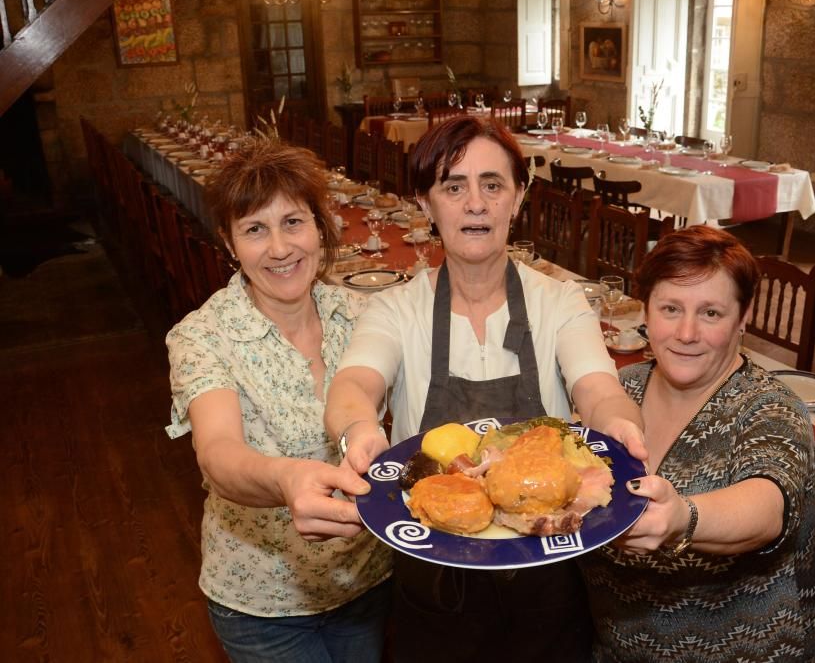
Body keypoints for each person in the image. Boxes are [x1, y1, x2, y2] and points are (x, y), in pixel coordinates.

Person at [324, 115, 646, 662]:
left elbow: (597, 388)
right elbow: (355, 383)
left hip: (548, 573)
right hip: (433, 580)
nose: (476, 203)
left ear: (517, 198)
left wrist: (618, 423)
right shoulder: (395, 308)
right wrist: (357, 429)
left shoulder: (560, 302)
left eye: (492, 185)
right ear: (425, 204)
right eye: (454, 186)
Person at [165, 139, 392, 662]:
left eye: (293, 222)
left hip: (369, 577)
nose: (280, 248)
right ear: (228, 242)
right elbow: (218, 453)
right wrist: (286, 479)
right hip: (263, 602)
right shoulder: (202, 336)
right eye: (254, 230)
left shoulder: (363, 316)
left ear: (320, 226)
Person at [579, 226, 815, 662]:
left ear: (743, 317)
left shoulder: (770, 408)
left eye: (711, 313)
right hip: (616, 646)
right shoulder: (622, 391)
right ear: (646, 310)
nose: (687, 332)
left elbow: (768, 506)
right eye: (670, 308)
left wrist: (683, 517)